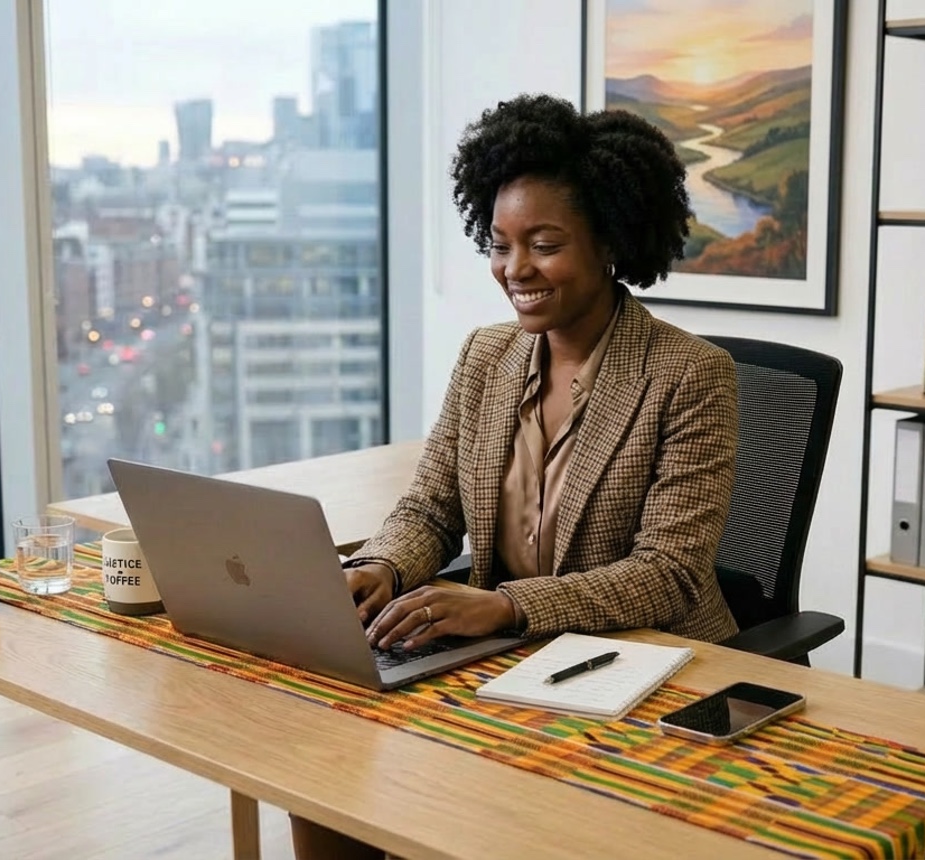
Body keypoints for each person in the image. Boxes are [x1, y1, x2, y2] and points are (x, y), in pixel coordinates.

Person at [289, 93, 740, 860]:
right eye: (499, 244)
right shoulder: (485, 356)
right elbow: (432, 504)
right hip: (505, 657)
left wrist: (501, 607)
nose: (514, 269)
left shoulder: (691, 376)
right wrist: (382, 565)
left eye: (543, 243)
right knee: (326, 770)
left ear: (609, 243)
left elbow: (667, 576)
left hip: (642, 667)